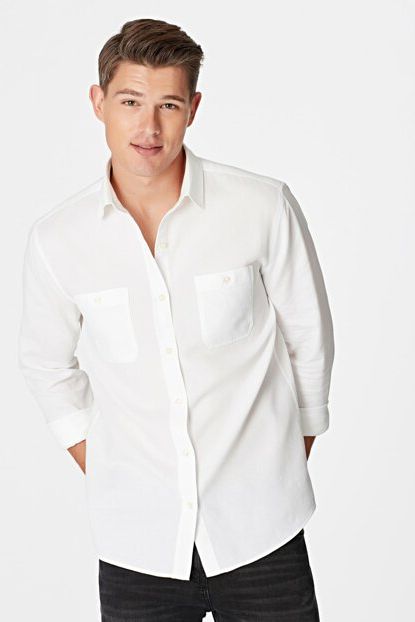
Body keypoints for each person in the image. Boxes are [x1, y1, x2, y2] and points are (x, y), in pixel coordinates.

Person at [18, 17, 335, 622]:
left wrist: (286, 456)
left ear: (193, 108)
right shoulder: (58, 239)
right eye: (130, 101)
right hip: (136, 544)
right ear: (98, 102)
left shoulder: (261, 205)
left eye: (168, 104)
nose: (149, 126)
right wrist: (104, 463)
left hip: (262, 532)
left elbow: (309, 338)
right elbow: (46, 364)